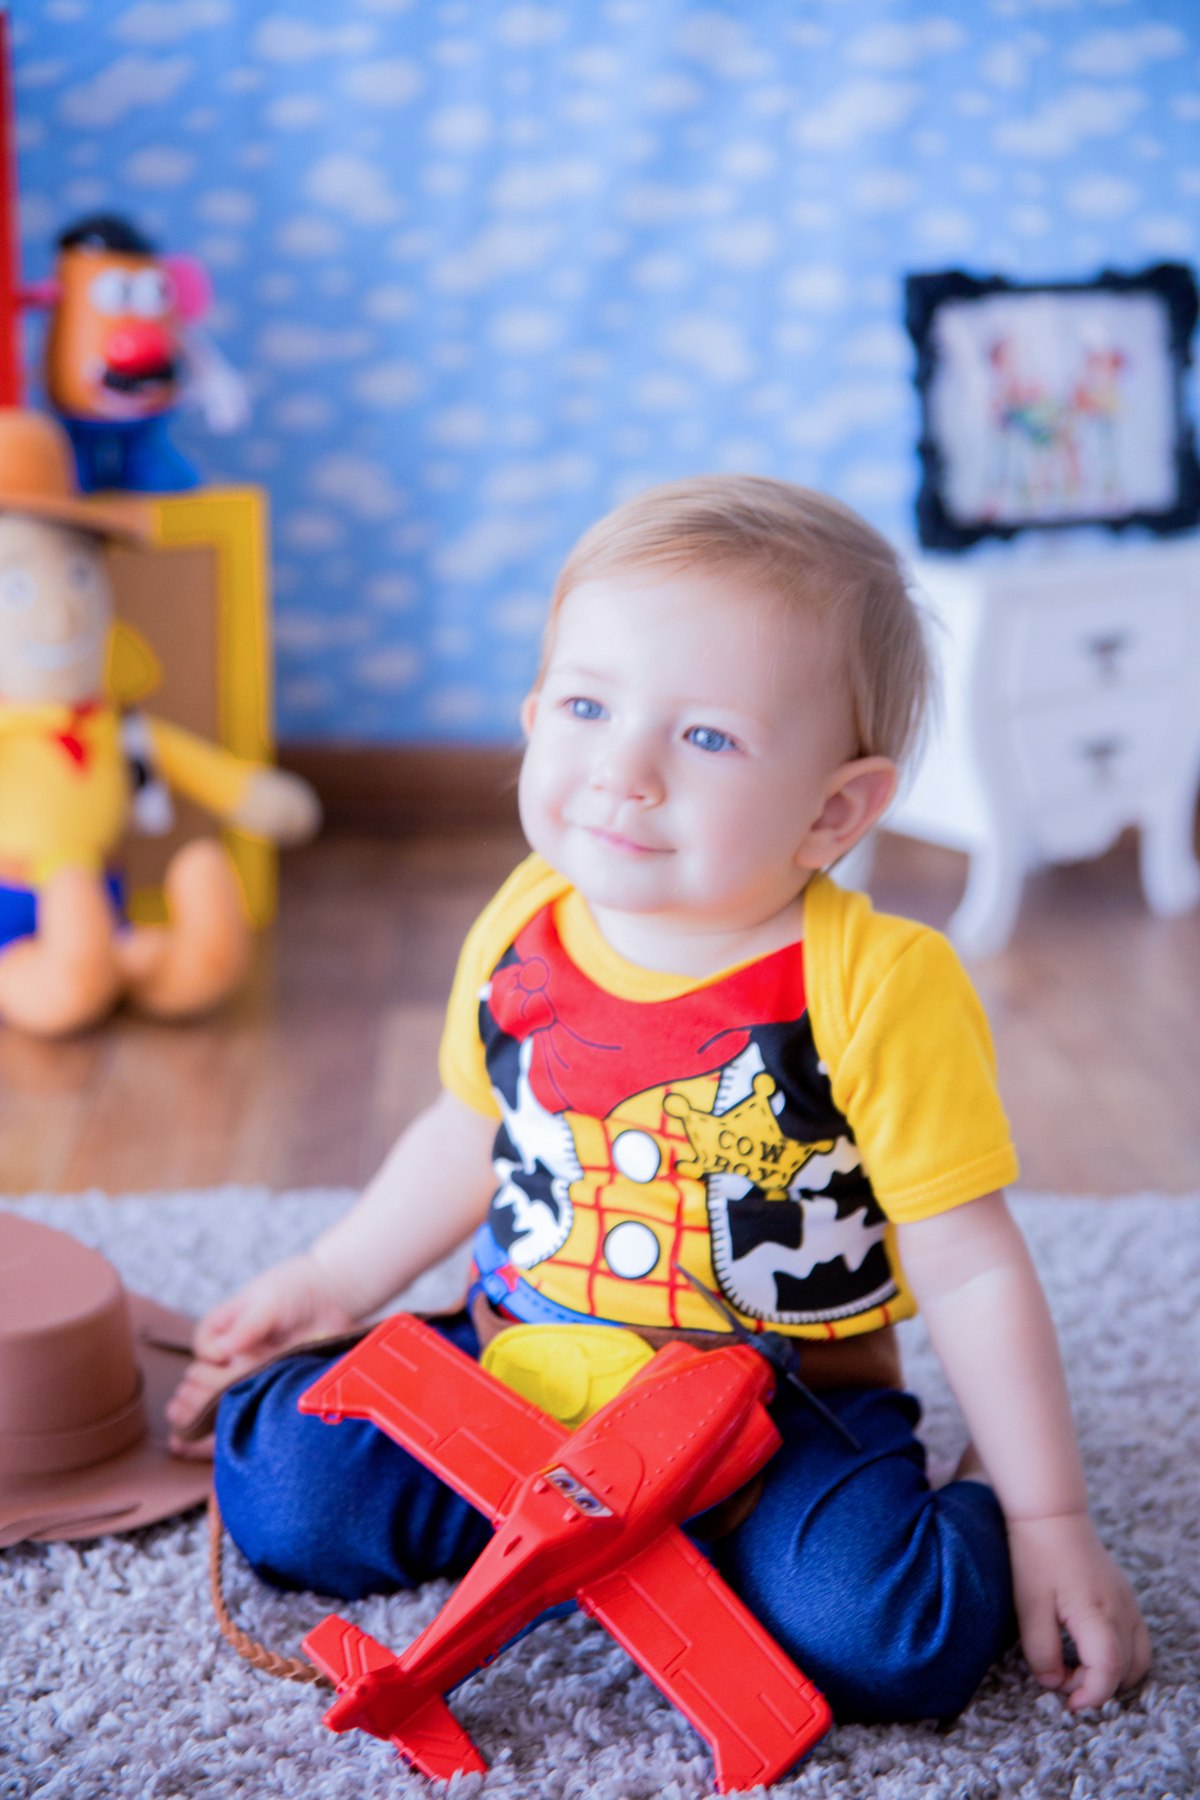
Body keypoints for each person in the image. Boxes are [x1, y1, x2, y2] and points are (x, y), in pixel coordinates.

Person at [168, 476, 1149, 1724]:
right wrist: (326, 1279)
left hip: (775, 1415)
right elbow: (473, 1126)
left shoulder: (875, 984)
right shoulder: (529, 916)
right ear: (534, 719)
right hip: (519, 1366)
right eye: (586, 707)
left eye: (706, 738)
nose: (621, 772)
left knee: (887, 1640)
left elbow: (967, 1266)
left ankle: (942, 1499)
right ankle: (560, 1521)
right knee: (285, 1493)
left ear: (834, 809)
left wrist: (1046, 1516)